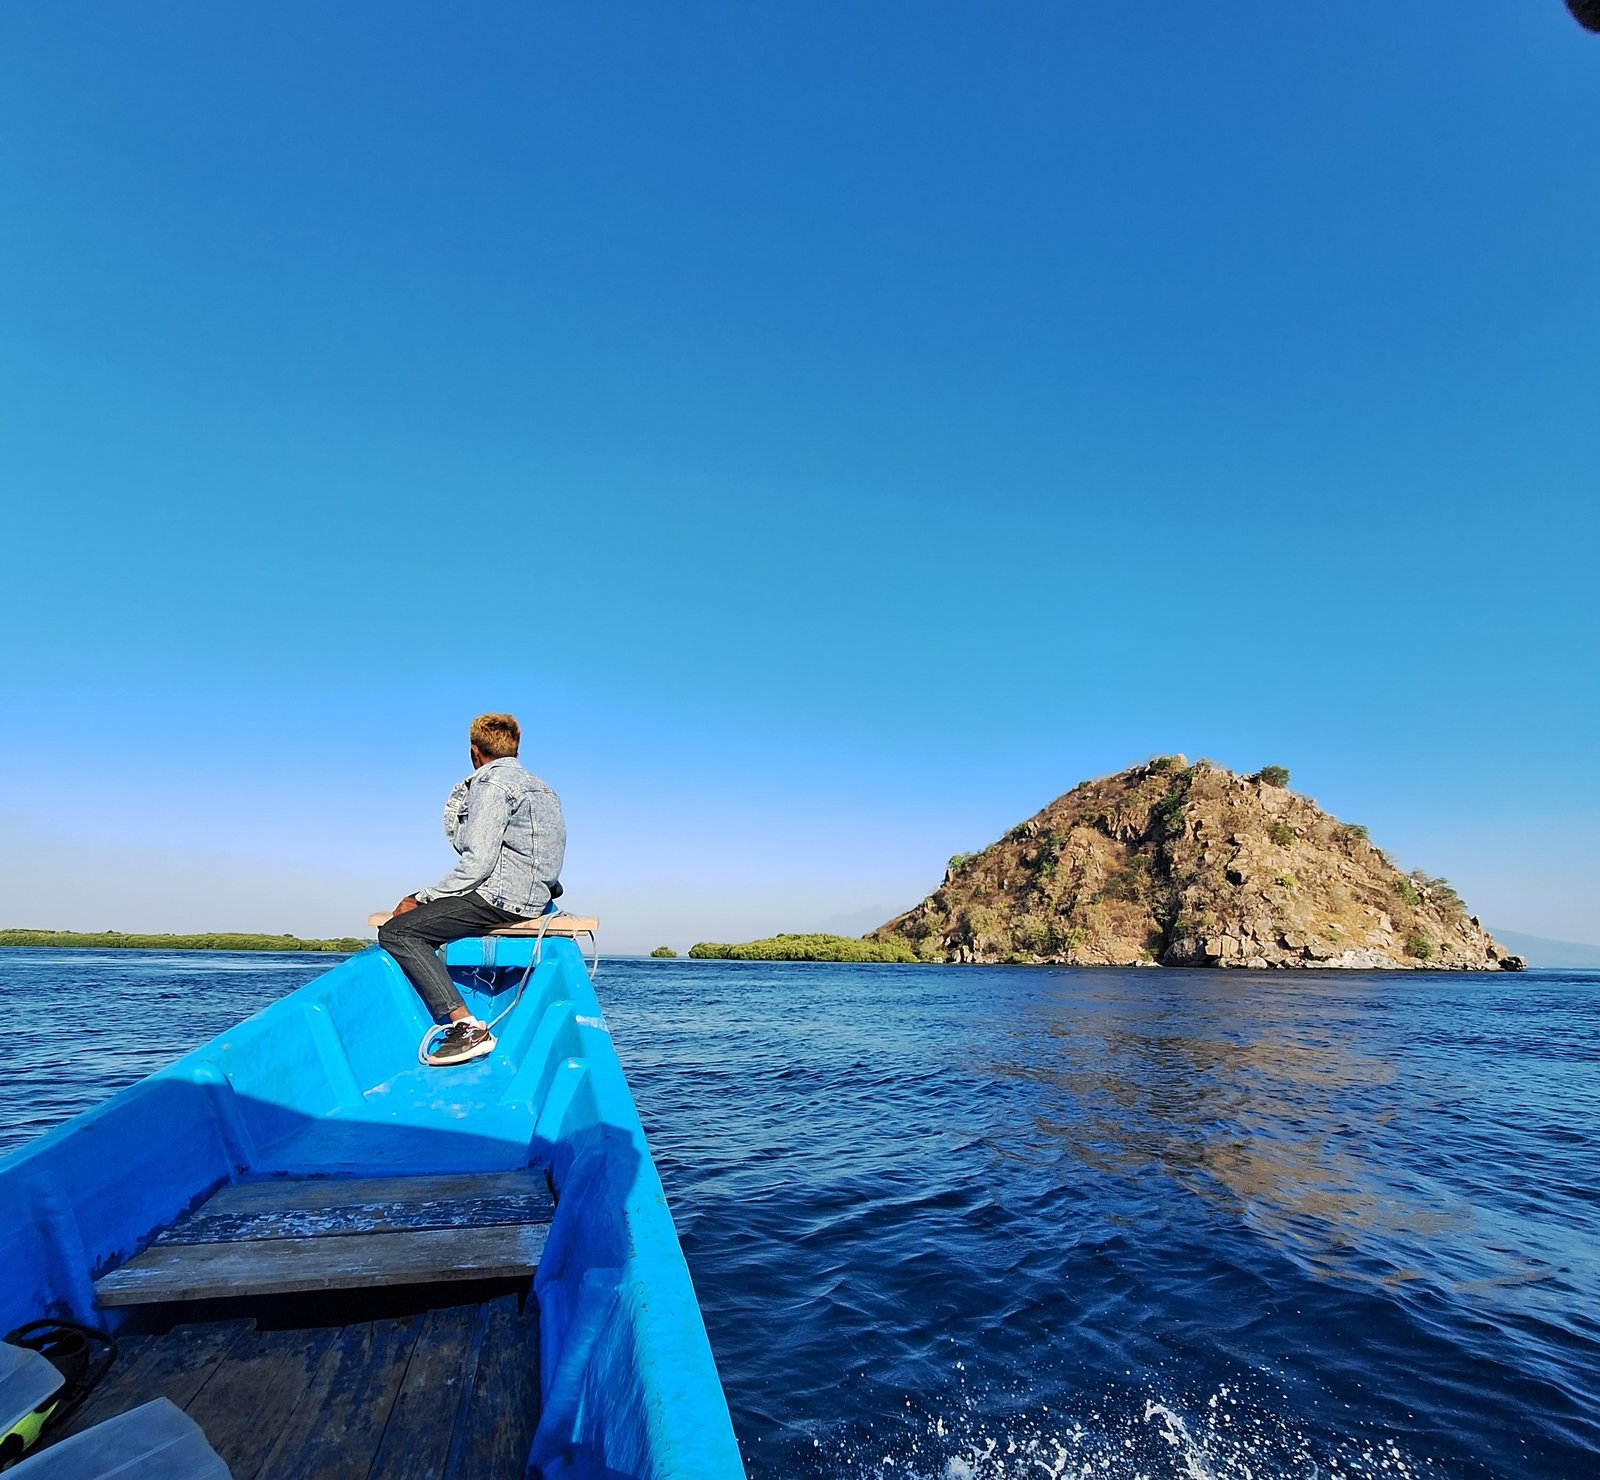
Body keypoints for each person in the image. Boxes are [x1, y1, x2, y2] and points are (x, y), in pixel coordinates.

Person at [378, 713, 566, 1066]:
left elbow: (477, 863)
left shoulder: (492, 785)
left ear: (474, 752)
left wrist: (421, 898)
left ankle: (467, 1028)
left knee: (398, 932)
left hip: (503, 899)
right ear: (515, 748)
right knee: (424, 923)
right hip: (535, 897)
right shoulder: (544, 788)